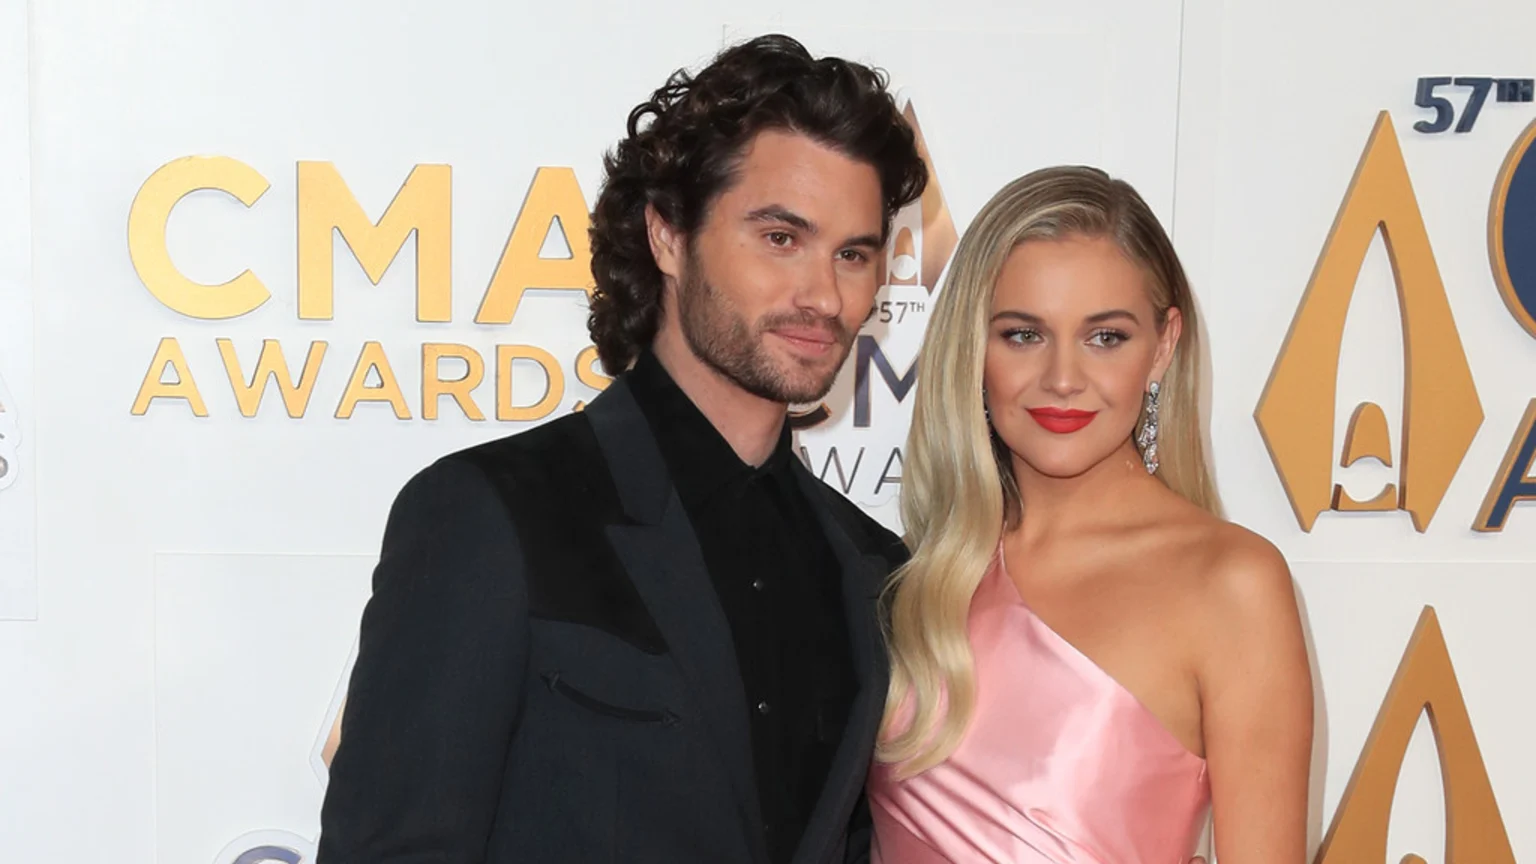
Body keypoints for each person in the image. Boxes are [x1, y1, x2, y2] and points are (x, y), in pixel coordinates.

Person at [315, 34, 927, 864]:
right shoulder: (491, 516)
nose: (822, 295)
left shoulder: (872, 569)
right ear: (668, 237)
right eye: (781, 238)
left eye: (853, 254)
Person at [867, 166, 1313, 863]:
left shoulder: (1230, 583)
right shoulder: (905, 577)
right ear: (972, 349)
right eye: (1022, 335)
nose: (1064, 379)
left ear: (1163, 347)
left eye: (1105, 337)